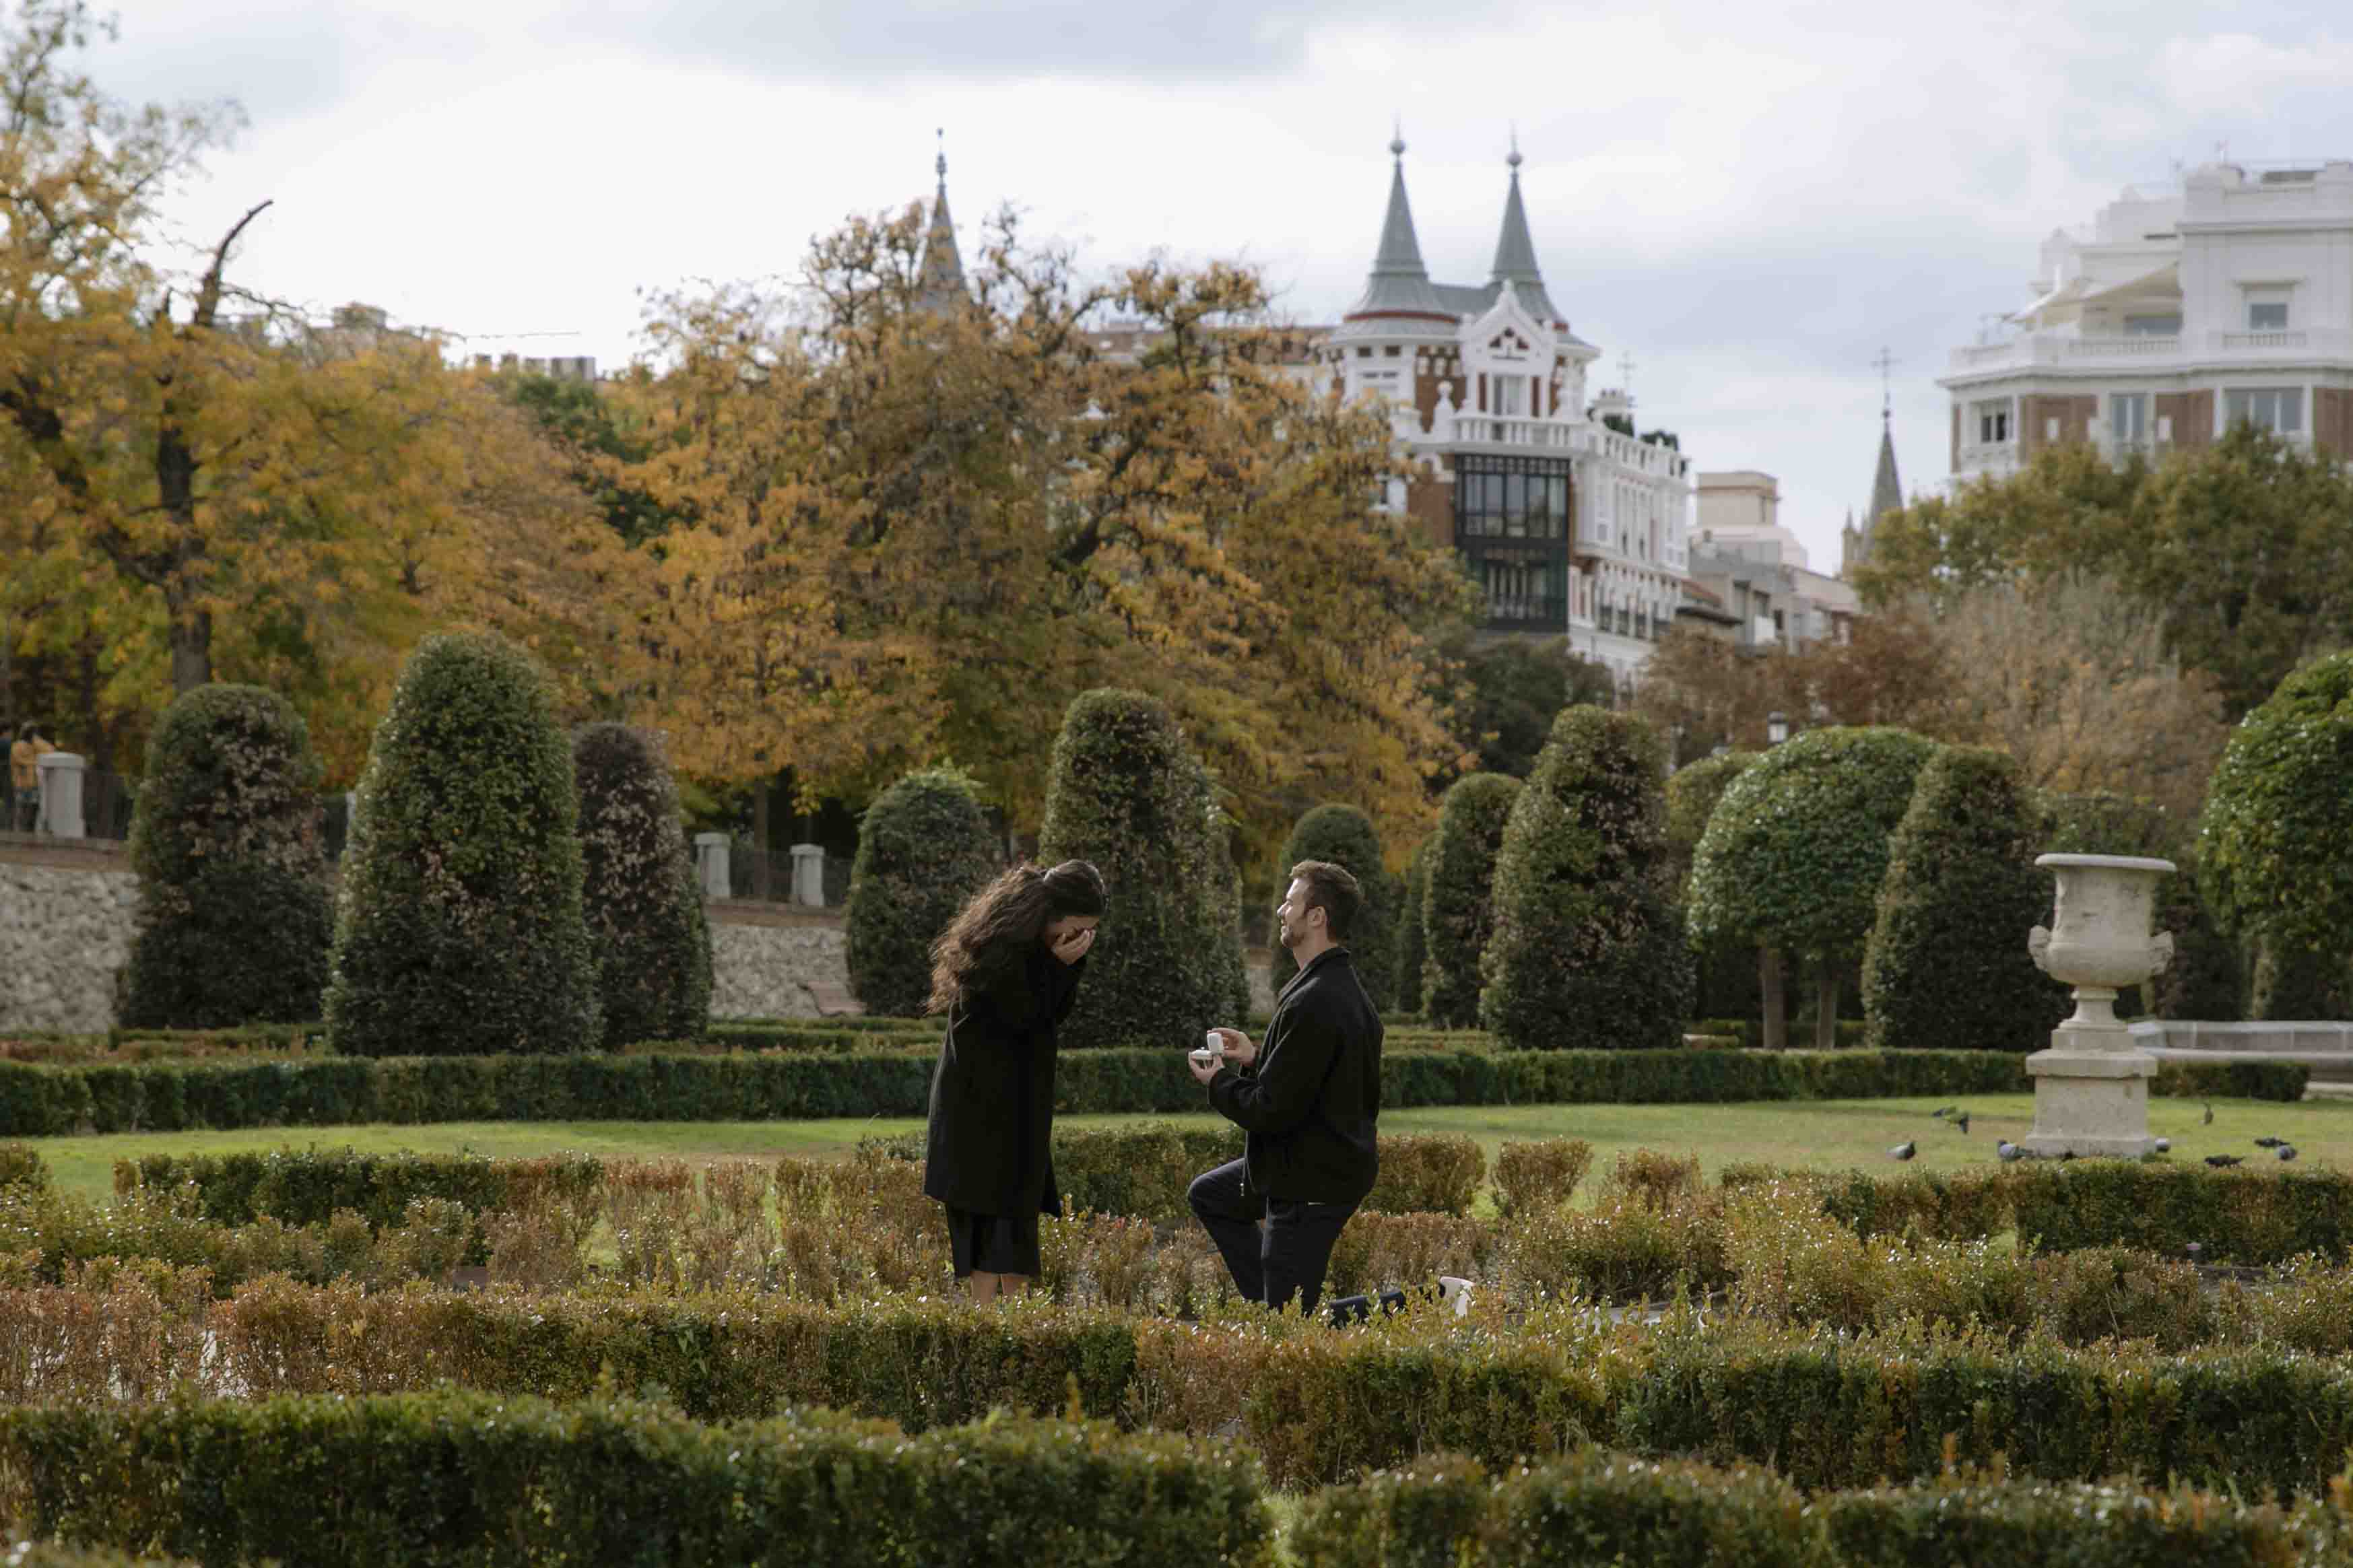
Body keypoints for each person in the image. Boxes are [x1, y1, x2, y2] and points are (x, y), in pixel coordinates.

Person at [1187, 858, 1383, 1317]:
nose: (1280, 909)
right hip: (1307, 1164)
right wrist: (1257, 1058)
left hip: (1311, 1181)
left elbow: (1270, 1109)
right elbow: (1313, 1081)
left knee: (1293, 1324)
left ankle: (1420, 1303)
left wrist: (1216, 1081)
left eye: (1291, 901)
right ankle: (1275, 1300)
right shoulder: (1327, 988)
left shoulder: (1318, 1000)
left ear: (1317, 916)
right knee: (1210, 1195)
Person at [922, 858, 1105, 1302]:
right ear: (1053, 915)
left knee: (1017, 1222)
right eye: (1078, 927)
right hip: (981, 1111)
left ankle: (1017, 1322)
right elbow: (1019, 1014)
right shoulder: (1000, 951)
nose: (1081, 939)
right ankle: (987, 1327)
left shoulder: (1041, 952)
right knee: (988, 1222)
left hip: (1016, 1110)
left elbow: (1050, 1014)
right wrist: (1057, 966)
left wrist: (1064, 967)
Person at [9, 722, 52, 833]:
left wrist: (37, 741)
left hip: (33, 784)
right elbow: (19, 760)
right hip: (21, 784)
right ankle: (19, 834)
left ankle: (29, 833)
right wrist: (35, 762)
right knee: (21, 811)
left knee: (33, 811)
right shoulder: (17, 746)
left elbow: (50, 751)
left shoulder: (35, 746)